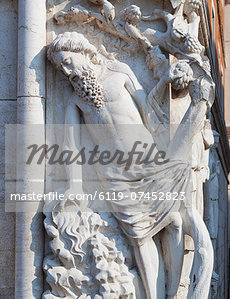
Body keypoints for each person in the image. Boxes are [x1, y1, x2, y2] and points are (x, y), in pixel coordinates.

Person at [47, 31, 212, 299]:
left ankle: (173, 292)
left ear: (82, 52)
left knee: (173, 221)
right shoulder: (75, 100)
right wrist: (74, 186)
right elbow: (71, 145)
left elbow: (148, 106)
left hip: (147, 160)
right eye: (60, 67)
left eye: (67, 61)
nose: (67, 71)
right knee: (139, 236)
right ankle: (154, 295)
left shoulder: (120, 72)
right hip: (114, 174)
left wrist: (166, 81)